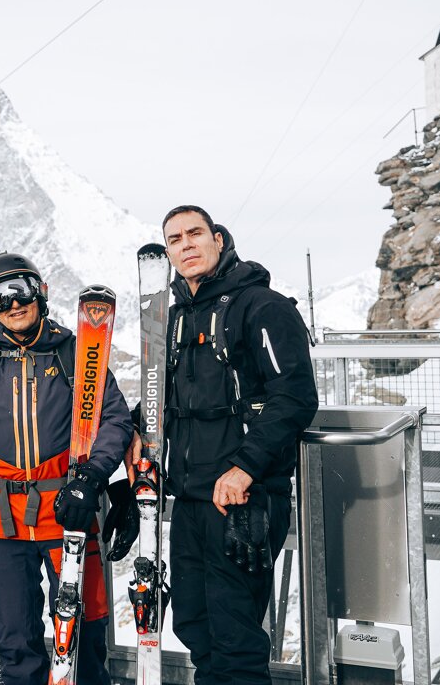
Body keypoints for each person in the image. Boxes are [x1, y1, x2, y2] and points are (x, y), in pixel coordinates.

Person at [0, 253, 135, 685]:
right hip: (1, 518)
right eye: (0, 295)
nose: (13, 303)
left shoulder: (78, 355)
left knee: (82, 630)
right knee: (14, 636)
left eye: (22, 289)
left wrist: (91, 478)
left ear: (41, 291)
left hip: (68, 510)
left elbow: (114, 419)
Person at [160, 205, 317, 685]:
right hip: (188, 499)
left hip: (241, 499)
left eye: (194, 234)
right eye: (173, 240)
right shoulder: (174, 318)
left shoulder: (262, 306)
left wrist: (245, 469)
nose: (185, 245)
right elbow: (164, 399)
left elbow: (293, 397)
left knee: (235, 637)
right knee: (194, 626)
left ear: (218, 239)